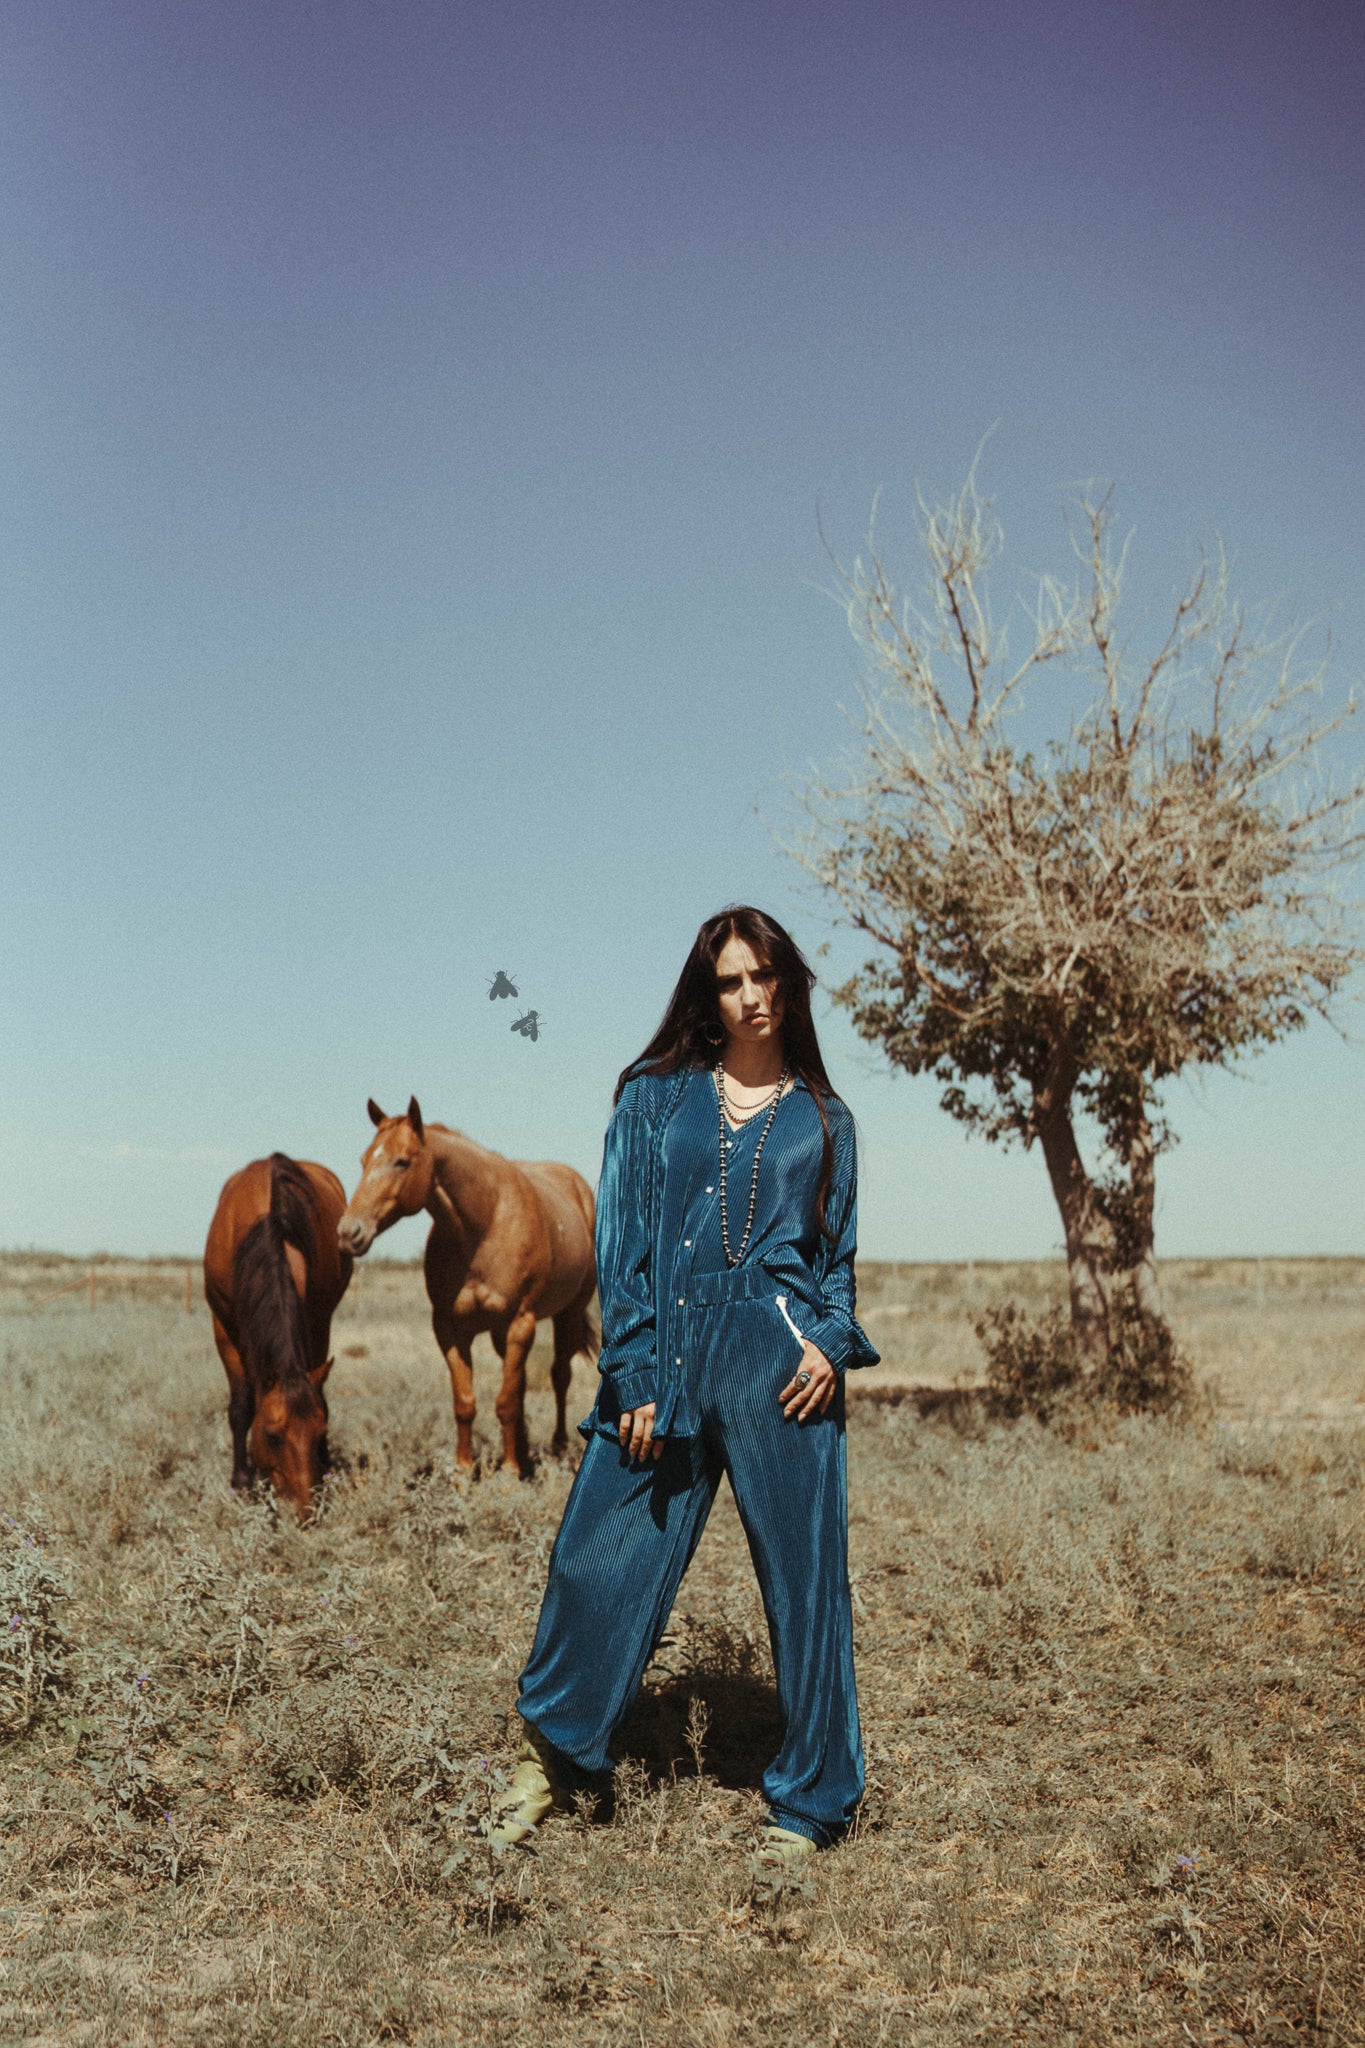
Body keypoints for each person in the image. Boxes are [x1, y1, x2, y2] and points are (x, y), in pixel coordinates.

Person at [491, 906, 880, 1863]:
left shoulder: (827, 1121)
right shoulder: (653, 1098)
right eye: (730, 981)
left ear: (788, 982)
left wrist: (829, 1345)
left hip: (780, 1363)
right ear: (707, 996)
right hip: (664, 1355)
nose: (750, 996)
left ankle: (811, 1803)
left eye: (763, 976)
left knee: (806, 1583)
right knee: (594, 1555)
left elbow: (834, 1267)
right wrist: (630, 1371)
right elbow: (621, 1243)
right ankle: (552, 1763)